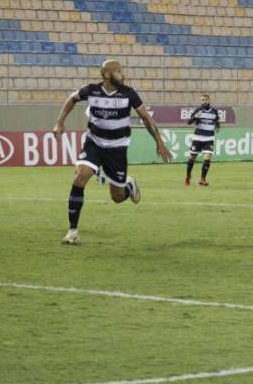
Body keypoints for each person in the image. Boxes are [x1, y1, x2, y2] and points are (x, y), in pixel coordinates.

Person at [53, 59, 172, 245]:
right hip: (94, 144)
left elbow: (146, 118)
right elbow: (71, 99)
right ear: (107, 75)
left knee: (116, 197)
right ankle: (72, 231)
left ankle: (129, 185)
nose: (122, 74)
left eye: (121, 70)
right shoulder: (91, 90)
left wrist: (159, 142)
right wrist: (60, 122)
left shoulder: (129, 94)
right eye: (117, 71)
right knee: (80, 177)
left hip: (117, 149)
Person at [185, 94, 220, 186]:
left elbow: (217, 122)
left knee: (208, 157)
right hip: (198, 137)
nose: (203, 102)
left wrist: (217, 128)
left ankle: (202, 179)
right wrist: (196, 116)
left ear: (209, 100)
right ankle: (188, 176)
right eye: (202, 100)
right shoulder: (198, 110)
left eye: (205, 100)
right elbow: (189, 122)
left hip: (209, 138)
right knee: (192, 158)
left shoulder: (214, 111)